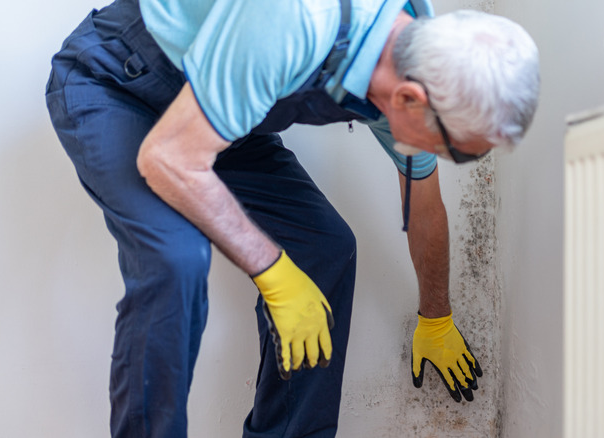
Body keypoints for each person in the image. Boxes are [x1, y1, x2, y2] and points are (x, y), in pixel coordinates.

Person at [45, 0, 540, 436]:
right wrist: (274, 271)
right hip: (119, 87)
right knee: (176, 258)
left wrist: (437, 316)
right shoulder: (296, 18)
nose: (449, 160)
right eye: (457, 151)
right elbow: (169, 160)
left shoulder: (410, 55)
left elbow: (424, 204)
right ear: (411, 100)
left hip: (223, 121)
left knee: (325, 249)